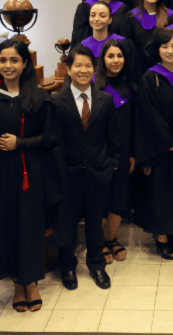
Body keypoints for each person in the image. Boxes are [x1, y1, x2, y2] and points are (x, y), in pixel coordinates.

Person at [0, 39, 64, 313]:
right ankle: (16, 283)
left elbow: (50, 138)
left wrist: (21, 143)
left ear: (25, 63)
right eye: (3, 60)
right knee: (5, 226)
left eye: (14, 60)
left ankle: (32, 283)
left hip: (30, 171)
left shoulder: (39, 96)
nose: (8, 65)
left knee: (30, 226)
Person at [52, 45, 121, 291]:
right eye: (78, 66)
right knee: (66, 223)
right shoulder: (56, 101)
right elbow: (54, 141)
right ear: (68, 69)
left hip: (97, 172)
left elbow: (113, 139)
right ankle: (67, 266)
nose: (83, 70)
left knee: (95, 223)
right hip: (67, 174)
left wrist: (110, 165)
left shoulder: (105, 99)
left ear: (94, 69)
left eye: (88, 66)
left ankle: (96, 264)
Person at [133, 29, 173, 260]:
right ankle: (161, 238)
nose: (170, 50)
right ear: (157, 49)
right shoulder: (150, 77)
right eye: (165, 46)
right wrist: (170, 140)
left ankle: (172, 230)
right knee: (160, 191)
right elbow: (147, 114)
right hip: (159, 146)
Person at [94, 40, 139, 265]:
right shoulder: (94, 84)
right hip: (99, 151)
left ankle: (112, 238)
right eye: (110, 56)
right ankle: (100, 241)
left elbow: (134, 123)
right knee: (101, 196)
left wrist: (132, 153)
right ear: (103, 59)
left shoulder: (130, 84)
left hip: (123, 151)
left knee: (119, 196)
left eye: (119, 56)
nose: (115, 60)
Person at [78, 2, 138, 76]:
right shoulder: (82, 47)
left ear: (110, 19)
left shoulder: (123, 43)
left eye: (102, 16)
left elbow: (133, 74)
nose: (96, 19)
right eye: (93, 15)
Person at [127, 0, 173, 74]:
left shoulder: (171, 17)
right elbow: (128, 47)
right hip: (137, 69)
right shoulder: (131, 17)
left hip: (165, 67)